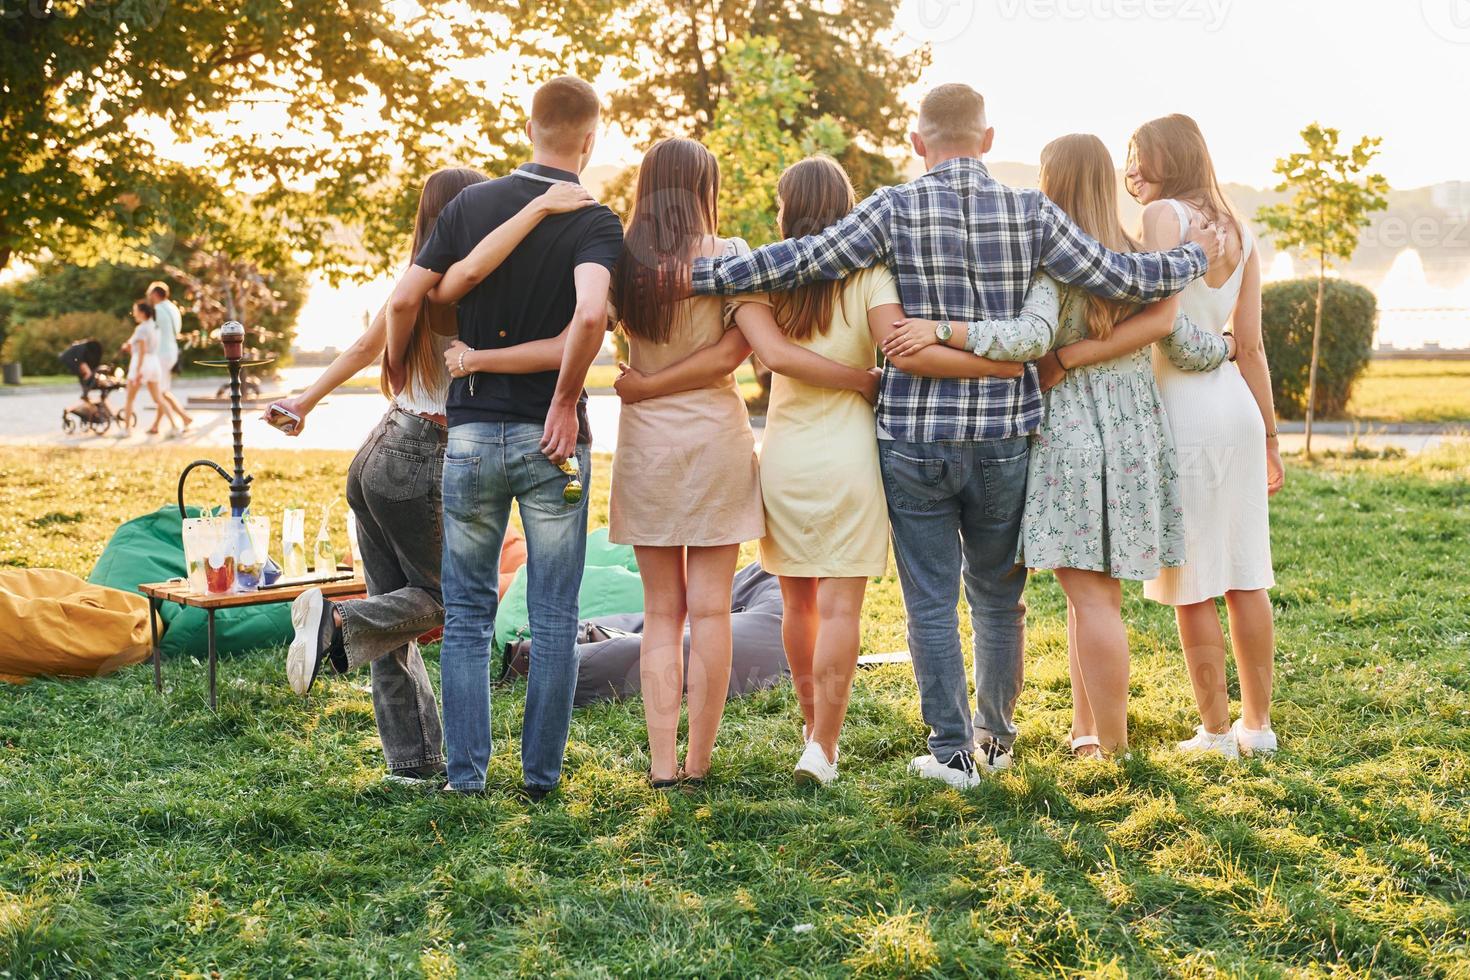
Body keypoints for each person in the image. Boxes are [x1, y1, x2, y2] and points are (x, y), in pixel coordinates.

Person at [689, 83, 1221, 789]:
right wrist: (1190, 259)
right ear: (989, 139)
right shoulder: (1032, 210)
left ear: (917, 143)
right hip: (1003, 435)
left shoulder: (891, 206)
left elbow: (802, 260)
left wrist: (698, 273)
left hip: (915, 436)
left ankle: (952, 754)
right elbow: (1119, 277)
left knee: (931, 603)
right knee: (999, 599)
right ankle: (995, 741)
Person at [882, 134, 1233, 759]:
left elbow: (1032, 335)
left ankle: (1117, 749)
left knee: (1091, 598)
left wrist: (945, 331)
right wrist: (1228, 348)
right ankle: (1087, 729)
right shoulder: (1134, 259)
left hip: (1072, 433)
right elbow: (1177, 337)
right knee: (1093, 596)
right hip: (1134, 434)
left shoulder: (1051, 264)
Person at [269, 168, 594, 786]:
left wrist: (306, 401)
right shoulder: (468, 289)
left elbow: (367, 349)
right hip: (431, 453)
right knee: (452, 602)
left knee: (396, 599)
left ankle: (412, 762)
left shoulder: (415, 284)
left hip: (379, 449)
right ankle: (341, 623)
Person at [386, 75, 624, 799]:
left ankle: (466, 779)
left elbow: (410, 296)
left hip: (472, 435)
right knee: (554, 617)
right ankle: (541, 781)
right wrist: (562, 399)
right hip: (554, 441)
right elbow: (589, 322)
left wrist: (399, 365)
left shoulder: (468, 205)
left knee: (466, 616)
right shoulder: (594, 219)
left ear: (529, 127)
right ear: (590, 139)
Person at [603, 137, 766, 789]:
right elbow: (733, 355)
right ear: (705, 189)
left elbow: (593, 326)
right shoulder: (731, 257)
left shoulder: (621, 261)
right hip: (714, 435)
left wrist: (642, 384)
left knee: (662, 613)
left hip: (647, 443)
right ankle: (699, 762)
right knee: (713, 610)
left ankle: (663, 765)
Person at [1128, 114, 1283, 758]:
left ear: (1168, 159)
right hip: (1237, 408)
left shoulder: (1163, 215)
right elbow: (1249, 345)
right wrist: (1270, 435)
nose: (1129, 170)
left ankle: (1216, 731)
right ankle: (1259, 727)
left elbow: (1155, 315)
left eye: (1138, 157)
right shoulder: (1240, 228)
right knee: (1245, 572)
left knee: (1190, 579)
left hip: (1185, 410)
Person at [119, 300, 181, 436]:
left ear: (142, 313)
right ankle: (175, 426)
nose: (134, 314)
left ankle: (127, 429)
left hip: (141, 363)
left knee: (130, 398)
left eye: (135, 311)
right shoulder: (155, 326)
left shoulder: (141, 329)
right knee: (158, 398)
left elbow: (141, 350)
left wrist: (138, 371)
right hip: (154, 363)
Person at [146, 282, 194, 429]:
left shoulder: (157, 310)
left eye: (149, 293)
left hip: (161, 353)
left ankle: (184, 417)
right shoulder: (173, 308)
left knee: (161, 392)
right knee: (163, 390)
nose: (148, 296)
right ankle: (156, 425)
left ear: (155, 294)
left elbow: (152, 333)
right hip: (172, 351)